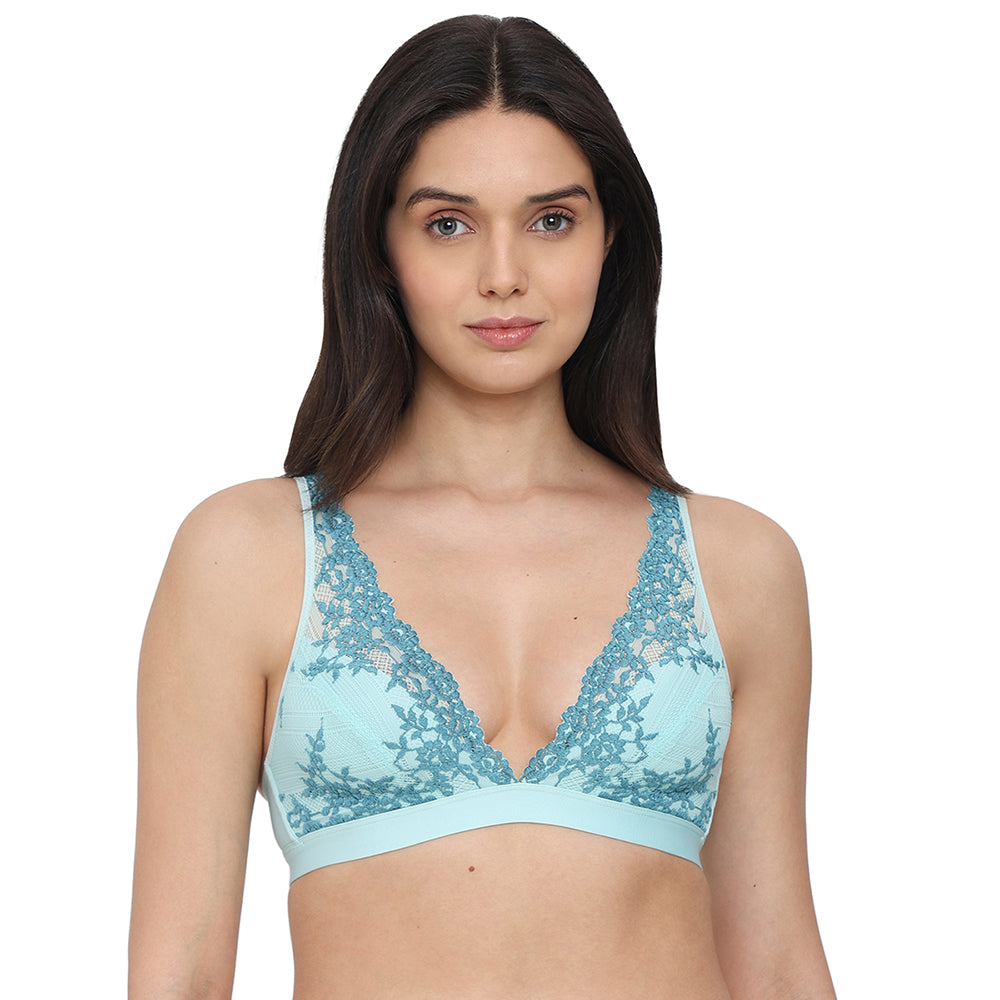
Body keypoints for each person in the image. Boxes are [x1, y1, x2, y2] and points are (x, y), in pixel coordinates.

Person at [129, 14, 836, 1000]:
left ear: (611, 237)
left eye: (551, 221)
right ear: (378, 245)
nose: (503, 275)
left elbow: (778, 965)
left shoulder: (739, 564)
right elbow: (181, 974)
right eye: (448, 224)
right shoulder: (248, 554)